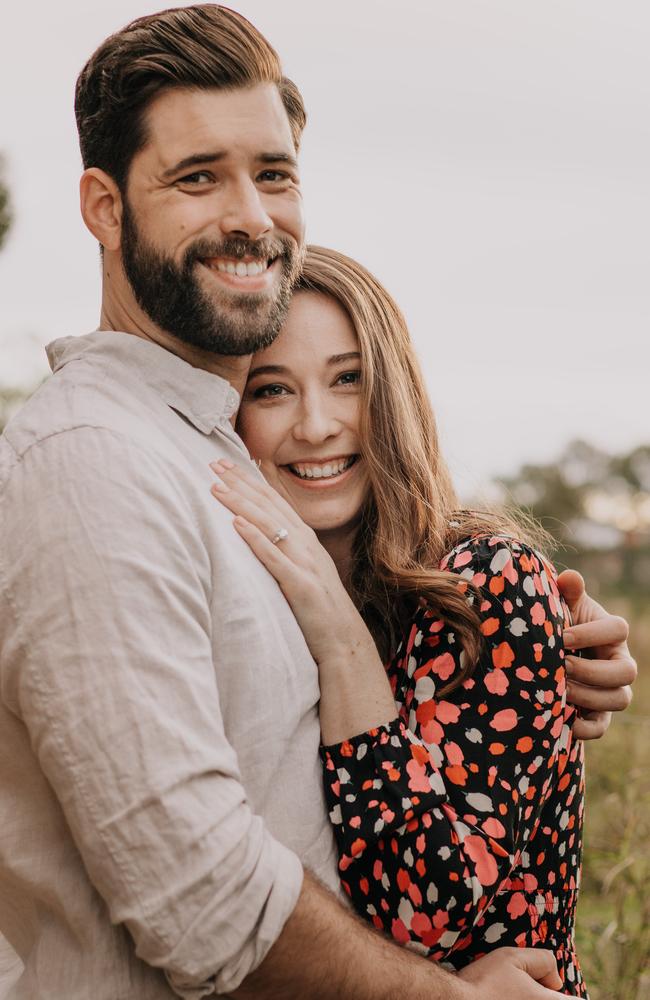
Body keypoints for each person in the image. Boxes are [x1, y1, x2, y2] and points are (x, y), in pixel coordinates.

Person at [0, 6, 634, 1000]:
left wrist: (533, 656)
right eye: (197, 176)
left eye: (275, 173)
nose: (250, 213)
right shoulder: (97, 461)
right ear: (105, 207)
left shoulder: (211, 456)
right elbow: (201, 895)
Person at [209, 245, 634, 997]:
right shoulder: (240, 598)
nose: (316, 425)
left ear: (393, 392)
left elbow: (424, 911)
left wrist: (341, 639)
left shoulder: (483, 586)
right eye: (273, 390)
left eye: (349, 380)